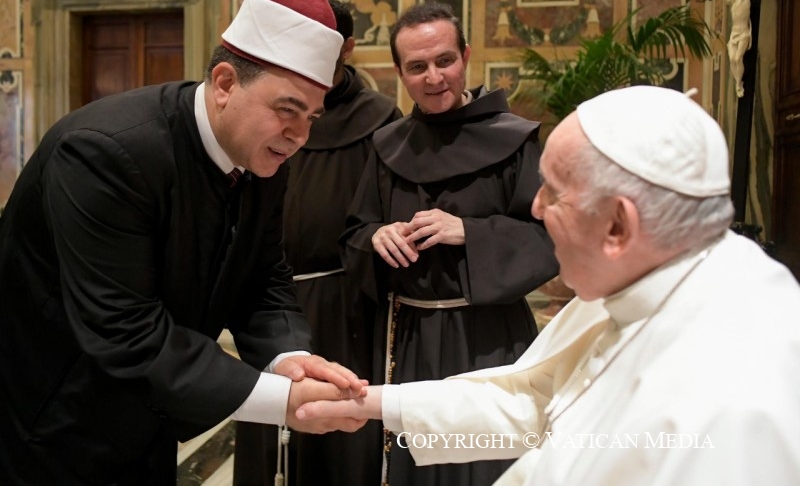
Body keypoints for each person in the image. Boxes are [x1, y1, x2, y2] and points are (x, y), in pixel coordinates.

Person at [300, 85, 800, 485]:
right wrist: (370, 404)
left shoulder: (731, 402)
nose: (535, 210)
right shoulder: (637, 283)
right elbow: (536, 405)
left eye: (553, 194)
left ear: (618, 226)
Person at [0, 0, 368, 485]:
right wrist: (280, 401)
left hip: (151, 417)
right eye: (287, 109)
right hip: (51, 423)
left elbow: (262, 277)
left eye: (311, 116)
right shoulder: (101, 153)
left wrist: (291, 360)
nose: (300, 136)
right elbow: (125, 329)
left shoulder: (261, 158)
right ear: (224, 83)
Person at [338, 0, 559, 486]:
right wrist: (376, 237)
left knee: (486, 465)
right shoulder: (387, 146)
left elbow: (550, 238)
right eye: (417, 67)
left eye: (445, 61)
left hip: (491, 341)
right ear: (399, 72)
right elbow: (353, 234)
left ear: (466, 56)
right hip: (407, 337)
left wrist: (472, 232)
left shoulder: (514, 141)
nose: (434, 77)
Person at [233, 0, 403, 486]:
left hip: (345, 302)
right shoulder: (261, 106)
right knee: (270, 434)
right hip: (266, 301)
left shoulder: (378, 117)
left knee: (340, 434)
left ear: (346, 48)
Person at [723, 0, 784, 97]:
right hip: (734, 35)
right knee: (732, 59)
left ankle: (739, 84)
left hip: (744, 33)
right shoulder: (733, 3)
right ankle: (737, 81)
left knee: (738, 58)